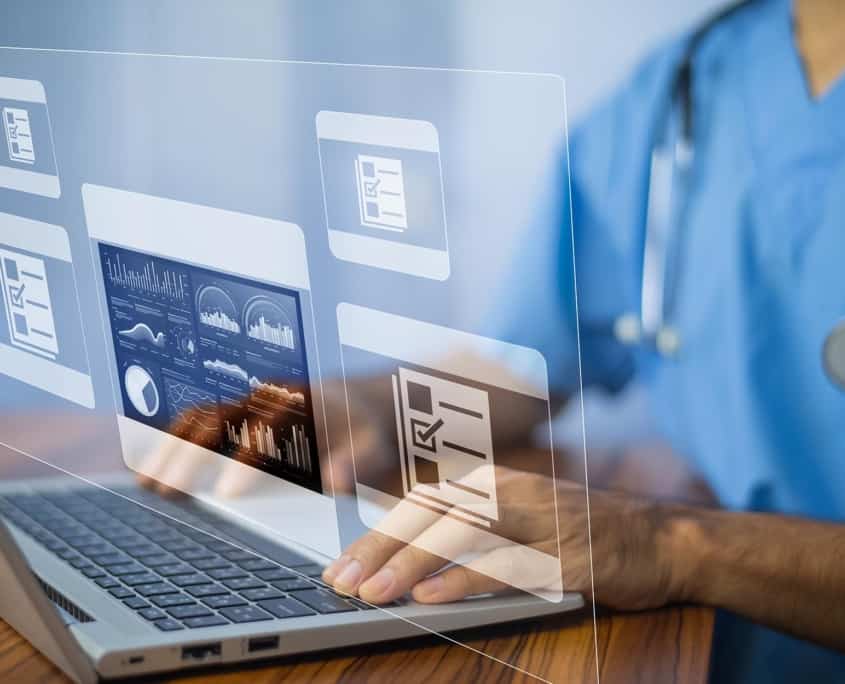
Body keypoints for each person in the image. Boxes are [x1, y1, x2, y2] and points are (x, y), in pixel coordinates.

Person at [143, 0, 845, 679]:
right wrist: (368, 409)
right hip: (700, 641)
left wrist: (666, 543)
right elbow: (526, 362)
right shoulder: (688, 83)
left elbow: (660, 542)